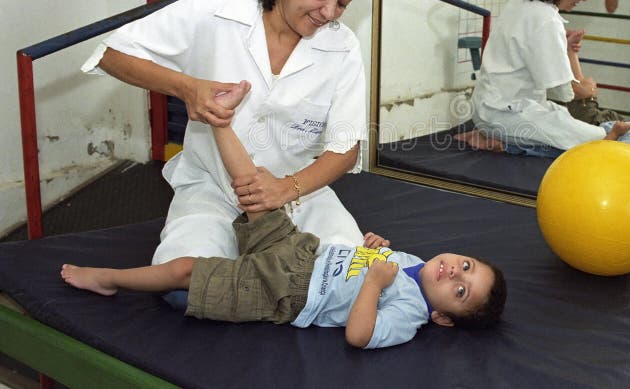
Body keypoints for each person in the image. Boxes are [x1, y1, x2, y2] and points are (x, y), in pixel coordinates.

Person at [61, 83, 507, 349]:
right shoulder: (415, 264)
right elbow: (366, 265)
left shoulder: (411, 313)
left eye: (460, 290)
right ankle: (220, 120)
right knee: (256, 189)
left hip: (285, 291)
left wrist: (373, 283)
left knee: (183, 271)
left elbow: (359, 334)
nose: (452, 273)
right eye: (464, 265)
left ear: (443, 318)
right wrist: (373, 251)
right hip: (303, 252)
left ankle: (109, 278)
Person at [80, 0, 372, 307]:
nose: (330, 12)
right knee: (183, 287)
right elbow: (112, 54)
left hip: (298, 193)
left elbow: (345, 148)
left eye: (343, 4)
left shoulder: (342, 47)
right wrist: (187, 88)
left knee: (352, 275)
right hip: (212, 188)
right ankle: (268, 276)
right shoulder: (214, 10)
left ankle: (265, 276)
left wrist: (287, 188)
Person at [456, 0, 630, 157]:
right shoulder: (546, 19)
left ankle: (491, 138)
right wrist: (588, 89)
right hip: (504, 114)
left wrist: (562, 46)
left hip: (492, 108)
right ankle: (496, 139)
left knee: (560, 118)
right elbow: (565, 92)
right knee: (595, 139)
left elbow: (528, 47)